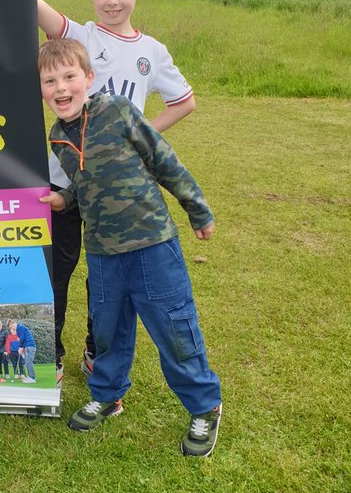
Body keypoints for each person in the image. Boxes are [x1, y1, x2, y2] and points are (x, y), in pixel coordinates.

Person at [0, 0, 195, 381]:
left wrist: (141, 139)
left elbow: (184, 102)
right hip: (62, 181)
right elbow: (32, 3)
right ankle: (51, 352)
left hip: (113, 188)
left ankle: (94, 350)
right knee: (55, 270)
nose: (112, 0)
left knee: (106, 280)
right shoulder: (80, 37)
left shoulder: (152, 52)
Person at [38, 39, 221, 457]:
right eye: (51, 81)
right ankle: (107, 395)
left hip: (152, 243)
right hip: (103, 252)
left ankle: (205, 407)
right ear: (43, 89)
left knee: (173, 327)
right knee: (107, 329)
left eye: (69, 77)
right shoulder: (57, 138)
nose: (61, 87)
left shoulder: (118, 110)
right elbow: (85, 188)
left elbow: (163, 160)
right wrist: (63, 200)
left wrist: (198, 210)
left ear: (88, 78)